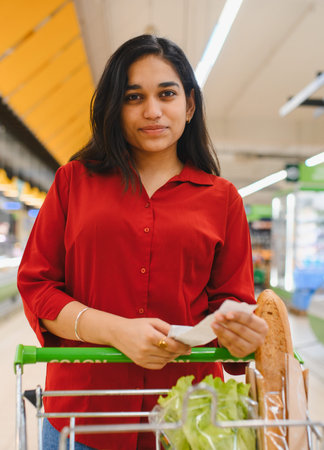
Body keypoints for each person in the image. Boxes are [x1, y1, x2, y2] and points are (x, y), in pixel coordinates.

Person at [17, 34, 268, 450]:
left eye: (166, 94)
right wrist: (116, 331)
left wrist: (238, 335)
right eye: (134, 97)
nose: (152, 111)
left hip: (189, 422)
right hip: (84, 416)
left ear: (188, 105)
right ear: (115, 108)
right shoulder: (74, 183)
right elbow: (38, 289)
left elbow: (230, 306)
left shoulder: (222, 199)